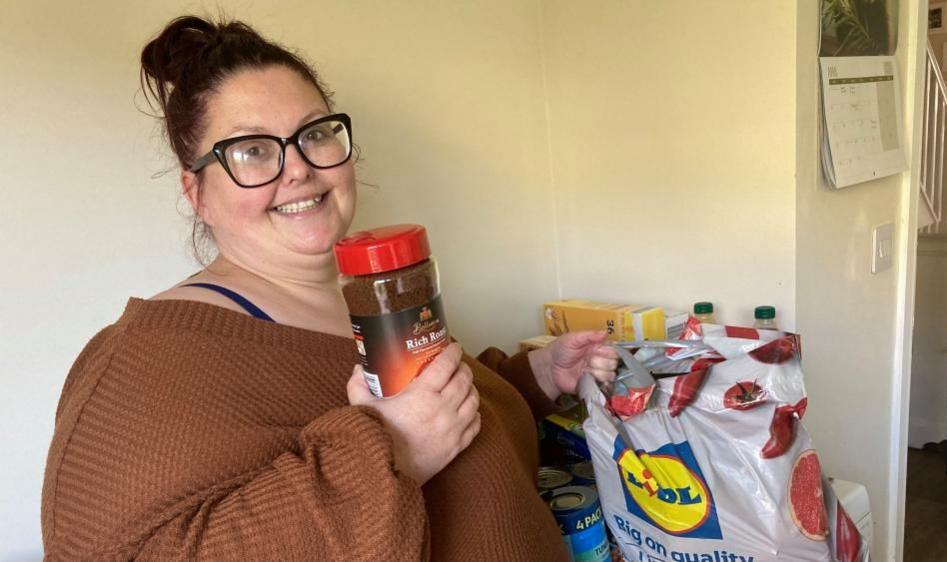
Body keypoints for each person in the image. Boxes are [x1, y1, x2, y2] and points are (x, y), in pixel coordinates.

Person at [40, 15, 619, 561]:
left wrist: (535, 378)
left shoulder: (372, 298)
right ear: (196, 194)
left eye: (313, 134)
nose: (298, 169)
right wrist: (390, 454)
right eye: (251, 150)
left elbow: (456, 431)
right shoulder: (145, 356)